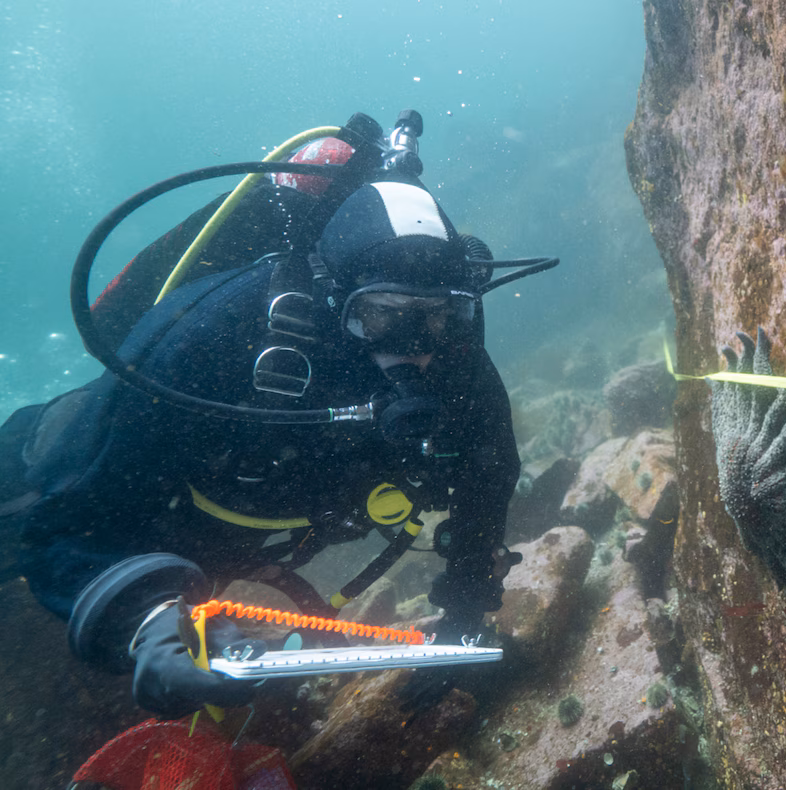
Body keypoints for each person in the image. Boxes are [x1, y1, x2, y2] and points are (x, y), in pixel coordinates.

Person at [0, 120, 548, 719]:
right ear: (332, 298)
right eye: (382, 315)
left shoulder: (457, 362)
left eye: (438, 317)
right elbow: (66, 524)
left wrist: (465, 616)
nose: (416, 348)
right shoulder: (211, 335)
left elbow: (487, 478)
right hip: (53, 483)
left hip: (239, 539)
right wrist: (148, 624)